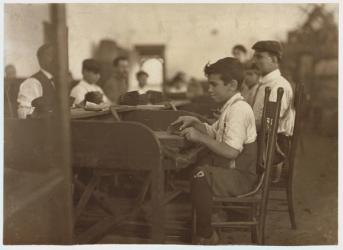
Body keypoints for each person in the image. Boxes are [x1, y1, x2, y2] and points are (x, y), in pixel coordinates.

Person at [171, 57, 257, 244]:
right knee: (200, 167)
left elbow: (231, 151)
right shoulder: (231, 106)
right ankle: (207, 216)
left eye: (213, 85)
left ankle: (207, 234)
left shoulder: (239, 110)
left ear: (232, 84)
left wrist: (199, 137)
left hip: (241, 176)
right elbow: (213, 131)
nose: (209, 89)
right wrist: (195, 122)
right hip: (232, 171)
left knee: (199, 175)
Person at [251, 40, 295, 181]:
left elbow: (268, 124)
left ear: (274, 59)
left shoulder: (278, 86)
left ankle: (236, 188)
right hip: (263, 139)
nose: (255, 60)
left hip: (273, 147)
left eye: (259, 57)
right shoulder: (263, 84)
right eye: (254, 56)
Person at [17, 44, 56, 119]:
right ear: (40, 59)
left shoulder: (58, 81)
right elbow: (24, 115)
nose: (54, 59)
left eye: (56, 55)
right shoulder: (32, 82)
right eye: (50, 55)